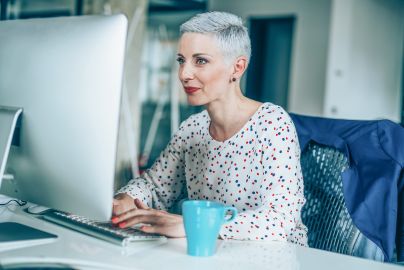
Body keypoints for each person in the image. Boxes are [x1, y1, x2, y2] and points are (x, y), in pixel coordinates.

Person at [111, 11, 308, 246]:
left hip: (273, 258)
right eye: (181, 60)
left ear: (237, 67)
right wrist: (125, 198)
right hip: (210, 252)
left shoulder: (273, 124)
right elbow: (154, 187)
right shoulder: (192, 128)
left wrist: (189, 224)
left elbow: (279, 220)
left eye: (200, 61)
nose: (184, 74)